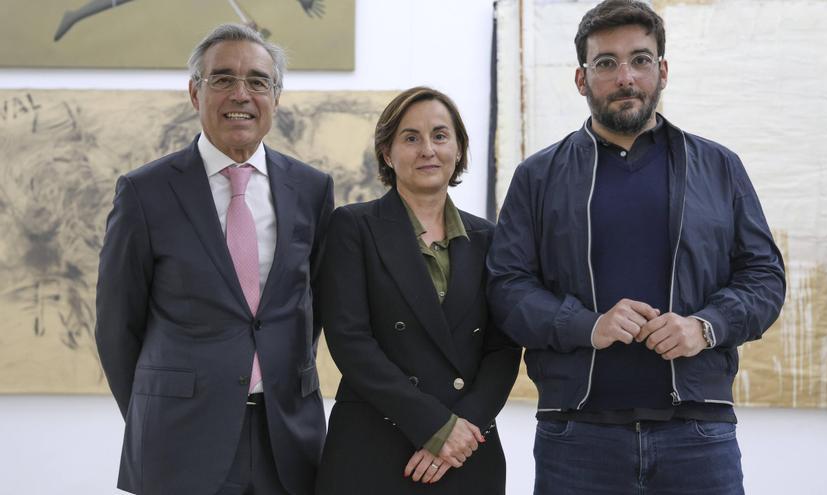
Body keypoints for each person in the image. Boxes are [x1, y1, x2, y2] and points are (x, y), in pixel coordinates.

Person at [486, 1, 786, 493]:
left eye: (640, 59)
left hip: (698, 434)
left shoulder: (719, 167)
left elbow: (764, 277)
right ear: (582, 79)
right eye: (606, 63)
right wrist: (589, 326)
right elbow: (507, 287)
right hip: (576, 437)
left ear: (662, 70)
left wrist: (705, 327)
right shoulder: (536, 177)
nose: (625, 76)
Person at [96, 23, 333, 495]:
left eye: (258, 82)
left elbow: (317, 306)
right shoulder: (145, 192)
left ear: (276, 97)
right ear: (194, 92)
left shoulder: (311, 189)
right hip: (179, 439)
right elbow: (116, 326)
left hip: (286, 437)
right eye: (222, 79)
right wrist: (156, 407)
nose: (241, 94)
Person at [315, 86, 520, 494]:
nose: (428, 149)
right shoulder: (353, 227)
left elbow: (503, 348)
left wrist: (462, 431)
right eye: (411, 138)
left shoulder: (489, 238)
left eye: (440, 136)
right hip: (374, 447)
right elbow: (350, 341)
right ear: (388, 154)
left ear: (459, 149)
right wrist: (435, 427)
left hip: (468, 451)